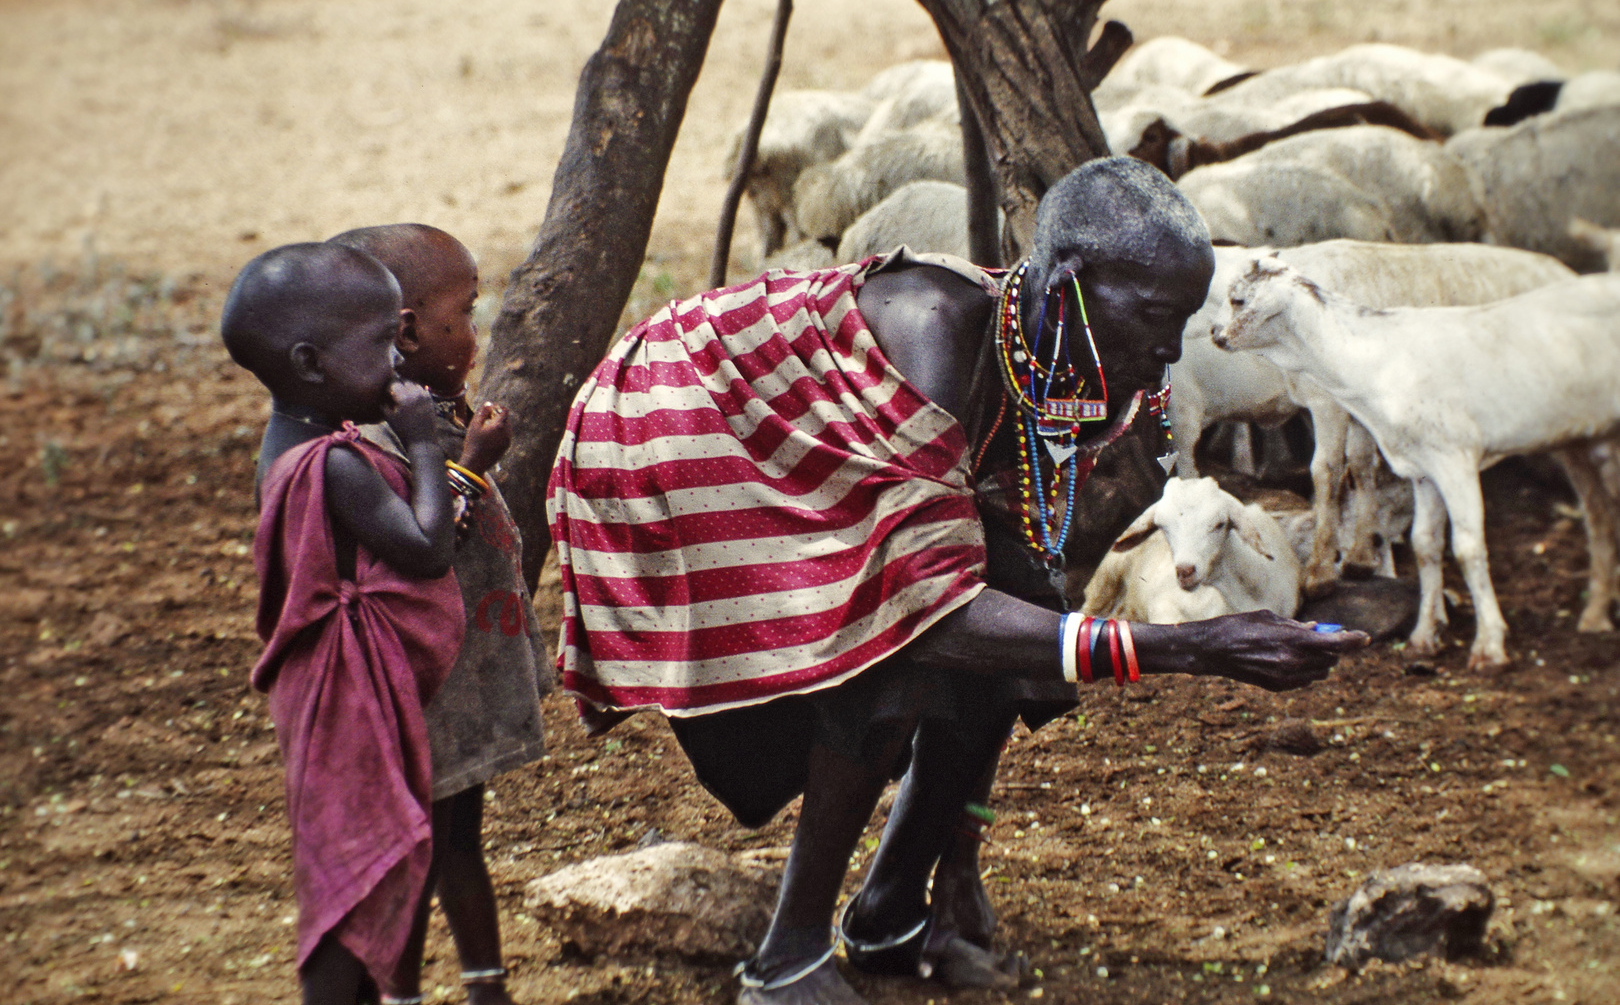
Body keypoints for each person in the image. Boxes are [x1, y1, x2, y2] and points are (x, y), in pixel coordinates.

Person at [547, 157, 1366, 1005]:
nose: (1169, 349)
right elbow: (933, 616)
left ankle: (895, 910)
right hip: (674, 429)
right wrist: (1192, 647)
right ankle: (785, 958)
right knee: (891, 651)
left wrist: (961, 863)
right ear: (1074, 284)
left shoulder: (1046, 356)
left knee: (1018, 628)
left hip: (770, 437)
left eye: (1182, 321)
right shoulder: (934, 336)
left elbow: (997, 601)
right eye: (1157, 317)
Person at [223, 242, 462, 1005]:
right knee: (359, 861)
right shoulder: (333, 466)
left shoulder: (291, 443)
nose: (399, 365)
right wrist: (424, 443)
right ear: (312, 362)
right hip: (345, 703)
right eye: (383, 348)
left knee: (354, 853)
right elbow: (426, 548)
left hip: (329, 693)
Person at [331, 223, 549, 1005]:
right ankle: (403, 995)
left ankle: (486, 987)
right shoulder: (377, 442)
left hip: (457, 680)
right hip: (425, 690)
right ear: (410, 332)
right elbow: (427, 542)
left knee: (461, 840)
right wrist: (471, 463)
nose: (477, 331)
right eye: (467, 314)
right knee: (424, 851)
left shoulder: (423, 414)